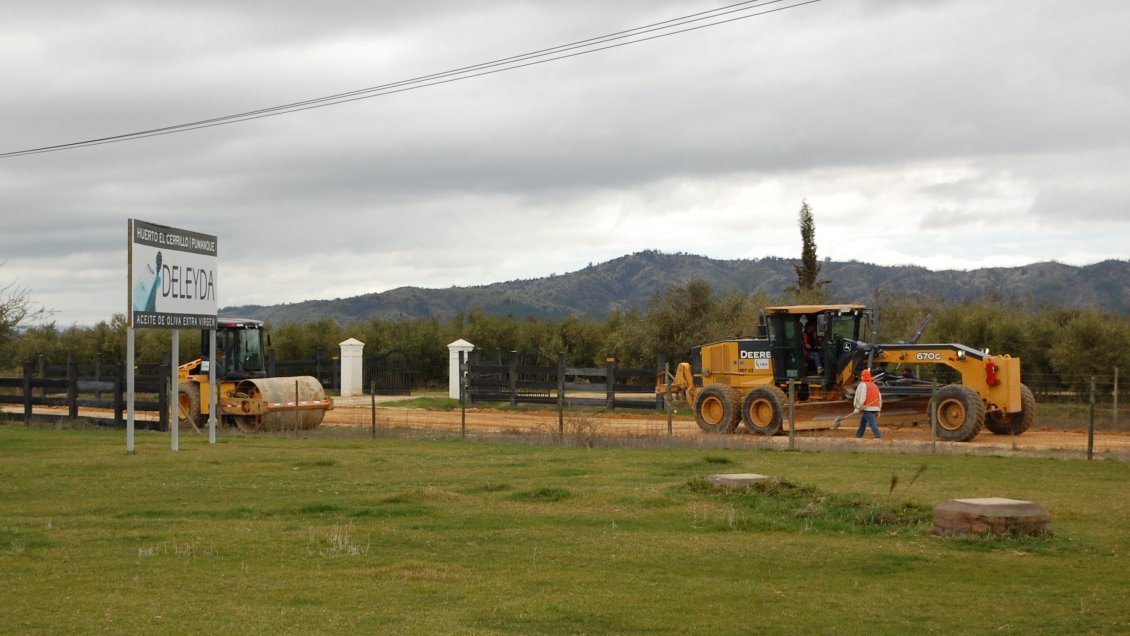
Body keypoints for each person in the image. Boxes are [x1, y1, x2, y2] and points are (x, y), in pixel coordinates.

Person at [853, 368, 882, 439]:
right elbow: (879, 398)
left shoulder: (862, 385)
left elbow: (861, 397)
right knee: (863, 423)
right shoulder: (874, 385)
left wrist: (857, 408)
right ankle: (858, 436)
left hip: (867, 408)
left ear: (862, 377)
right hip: (875, 407)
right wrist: (879, 410)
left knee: (872, 423)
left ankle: (878, 437)